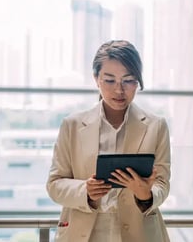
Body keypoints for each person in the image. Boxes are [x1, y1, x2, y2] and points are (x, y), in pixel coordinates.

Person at [46, 40, 171, 242]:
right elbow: (54, 184)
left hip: (140, 231)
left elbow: (162, 183)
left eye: (128, 80)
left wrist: (146, 195)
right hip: (83, 231)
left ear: (138, 81)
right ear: (96, 79)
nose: (119, 90)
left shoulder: (156, 126)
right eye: (110, 80)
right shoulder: (72, 125)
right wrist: (85, 191)